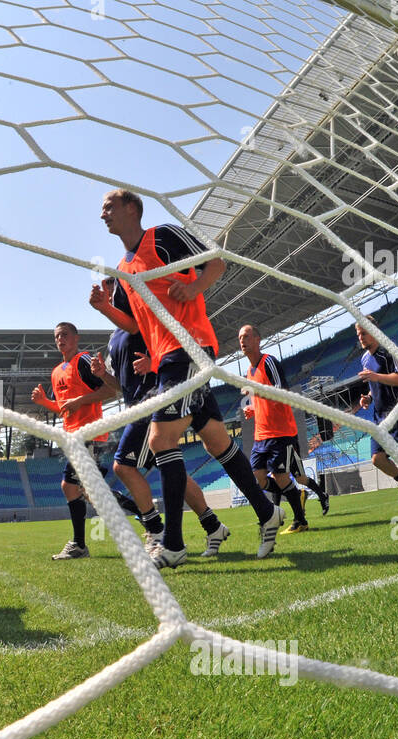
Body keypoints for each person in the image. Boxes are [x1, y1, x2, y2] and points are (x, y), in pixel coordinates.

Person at [89, 188, 282, 568]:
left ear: (131, 207)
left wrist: (193, 286)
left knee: (162, 440)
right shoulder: (123, 268)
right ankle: (266, 511)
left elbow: (217, 261)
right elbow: (135, 325)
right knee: (215, 441)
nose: (102, 215)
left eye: (108, 206)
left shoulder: (162, 236)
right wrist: (105, 309)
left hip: (190, 348)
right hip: (166, 360)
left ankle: (173, 544)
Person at [95, 294, 230, 562]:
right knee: (173, 470)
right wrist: (102, 376)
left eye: (114, 285)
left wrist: (153, 364)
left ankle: (156, 531)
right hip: (135, 405)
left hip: (153, 401)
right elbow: (120, 388)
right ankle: (213, 526)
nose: (110, 291)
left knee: (124, 466)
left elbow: (166, 353)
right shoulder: (114, 339)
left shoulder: (141, 319)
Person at [30, 322, 113, 560]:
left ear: (76, 338)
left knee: (72, 487)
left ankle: (79, 544)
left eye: (64, 335)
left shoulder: (84, 361)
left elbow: (109, 392)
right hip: (72, 437)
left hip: (90, 434)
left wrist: (80, 400)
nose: (60, 339)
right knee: (89, 492)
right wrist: (44, 402)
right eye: (57, 336)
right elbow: (64, 409)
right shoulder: (57, 372)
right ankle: (148, 518)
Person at [239, 324, 329, 534]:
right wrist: (251, 408)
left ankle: (301, 521)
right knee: (258, 480)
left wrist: (256, 393)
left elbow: (281, 393)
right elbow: (260, 400)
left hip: (281, 434)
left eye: (247, 336)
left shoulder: (268, 361)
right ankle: (294, 496)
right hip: (261, 436)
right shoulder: (248, 372)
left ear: (258, 339)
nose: (242, 340)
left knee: (282, 478)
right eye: (240, 338)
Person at [356, 318, 398, 515]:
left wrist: (376, 377)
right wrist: (368, 398)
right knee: (377, 459)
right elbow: (372, 385)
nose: (360, 337)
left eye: (364, 333)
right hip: (379, 417)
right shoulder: (364, 358)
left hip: (397, 413)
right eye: (358, 334)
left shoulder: (389, 351)